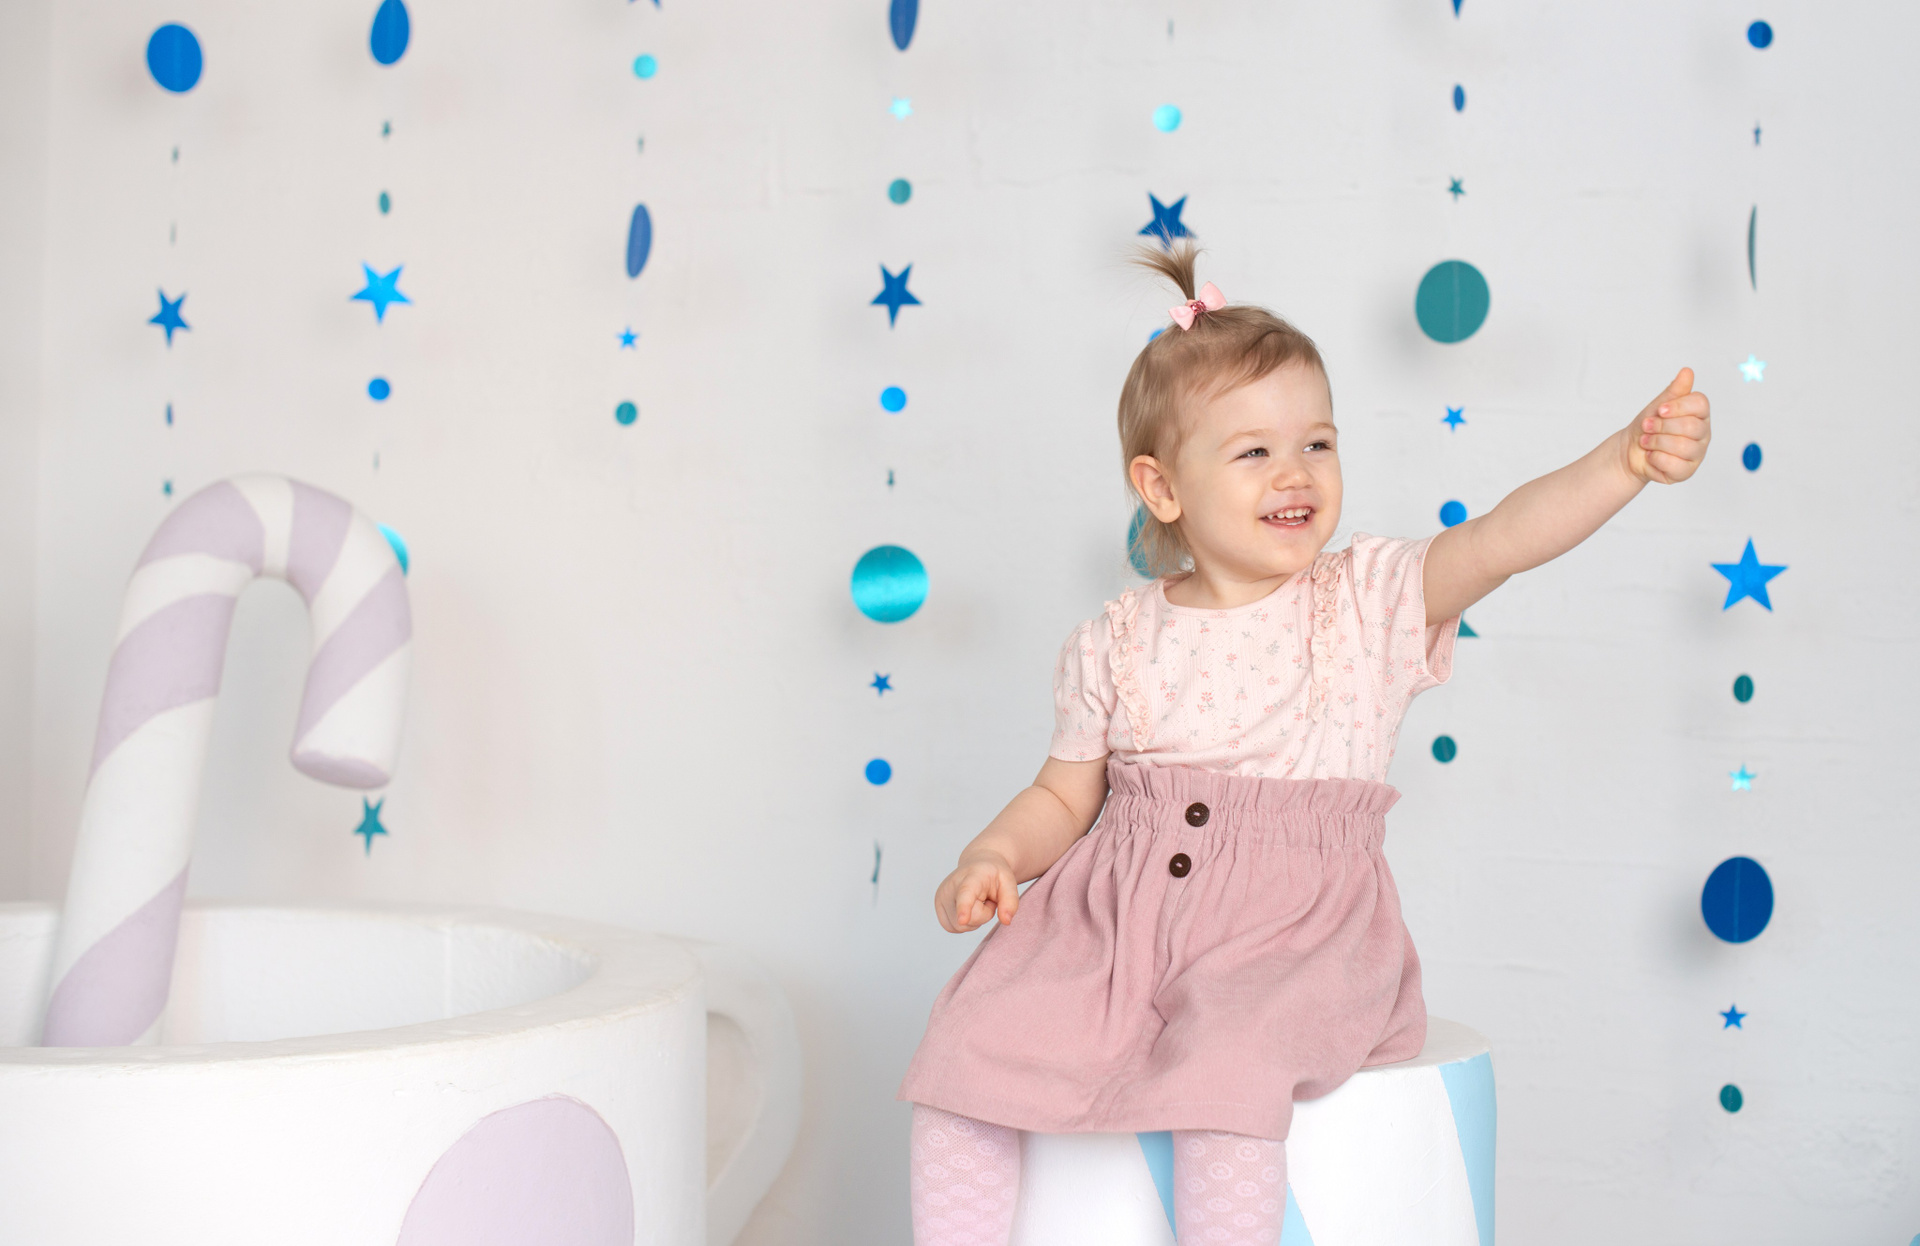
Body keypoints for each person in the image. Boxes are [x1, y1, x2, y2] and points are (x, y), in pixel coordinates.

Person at [896, 241, 1713, 1246]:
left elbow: (1502, 538)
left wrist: (1623, 462)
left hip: (1293, 933)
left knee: (1228, 1068)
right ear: (1162, 487)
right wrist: (994, 854)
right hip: (1117, 925)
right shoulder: (1114, 638)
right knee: (972, 1041)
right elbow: (1065, 796)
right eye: (1254, 452)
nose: (1296, 472)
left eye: (1318, 443)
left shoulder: (1366, 601)